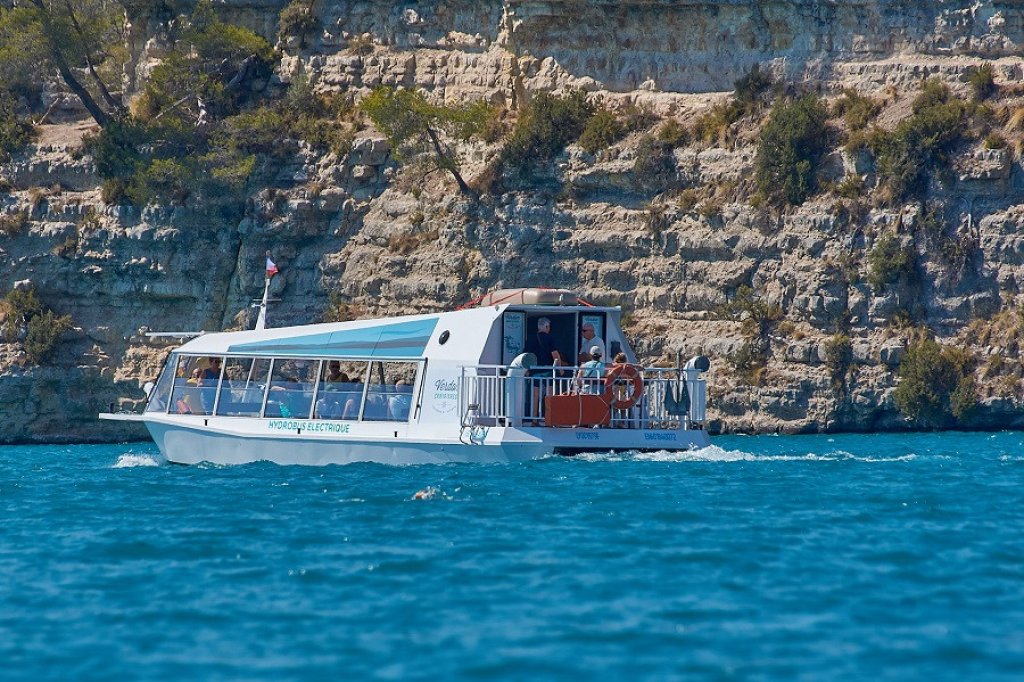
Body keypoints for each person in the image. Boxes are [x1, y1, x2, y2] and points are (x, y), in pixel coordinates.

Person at [524, 317, 564, 420]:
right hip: (547, 371)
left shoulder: (531, 338)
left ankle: (534, 419)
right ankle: (548, 418)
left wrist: (527, 370)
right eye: (549, 326)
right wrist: (560, 369)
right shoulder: (549, 338)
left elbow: (526, 356)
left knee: (535, 396)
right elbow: (555, 355)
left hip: (534, 371)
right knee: (549, 395)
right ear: (546, 327)